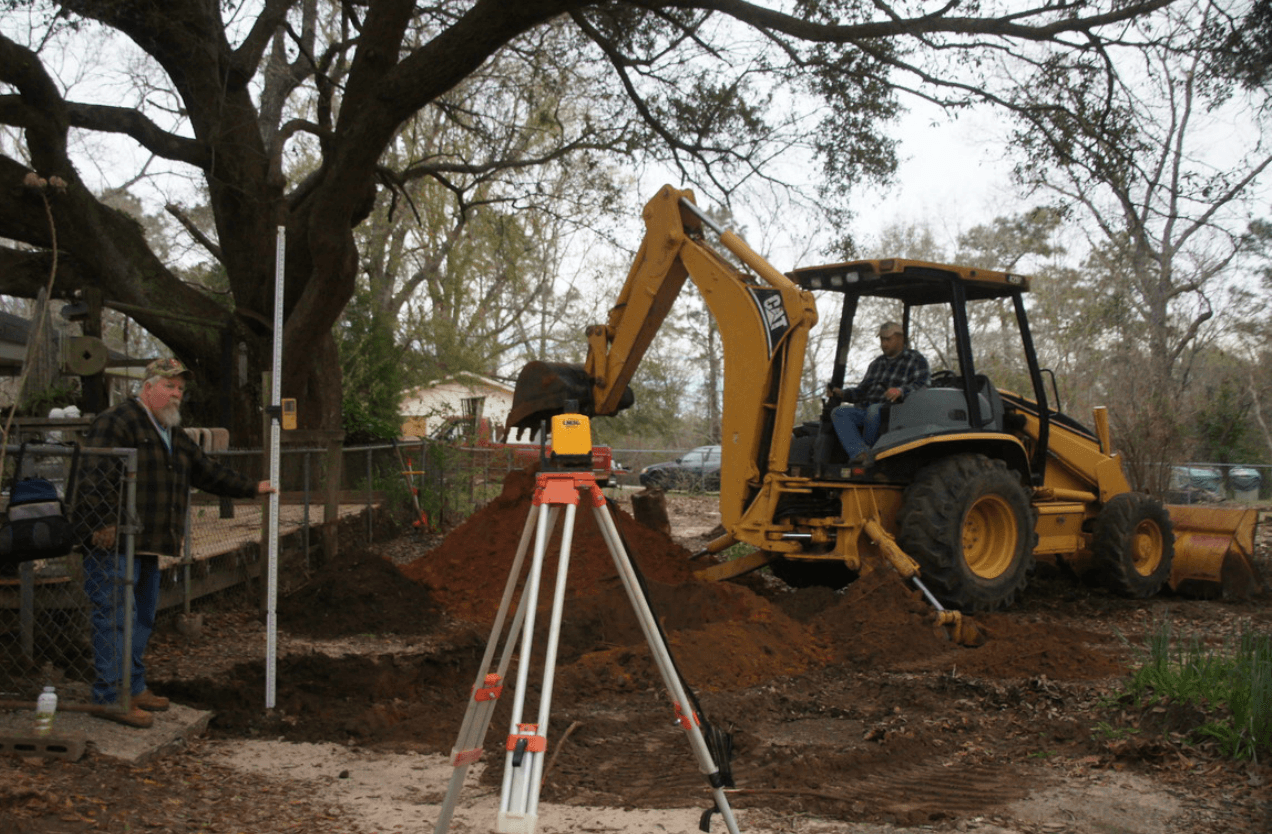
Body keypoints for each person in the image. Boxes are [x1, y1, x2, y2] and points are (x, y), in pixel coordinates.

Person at [78, 357, 273, 728]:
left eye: (181, 388)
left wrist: (252, 487)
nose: (177, 395)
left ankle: (133, 687)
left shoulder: (172, 433)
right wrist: (102, 522)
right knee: (115, 617)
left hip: (151, 541)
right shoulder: (117, 421)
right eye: (169, 386)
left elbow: (206, 470)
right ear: (148, 387)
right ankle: (109, 696)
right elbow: (93, 474)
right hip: (115, 542)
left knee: (142, 619)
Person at [827, 321, 930, 460]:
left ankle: (875, 455)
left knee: (874, 410)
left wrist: (900, 391)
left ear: (900, 338)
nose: (884, 344)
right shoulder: (876, 364)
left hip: (896, 411)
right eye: (882, 339)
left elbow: (922, 385)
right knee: (840, 412)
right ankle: (860, 453)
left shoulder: (915, 359)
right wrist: (842, 394)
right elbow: (861, 391)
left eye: (888, 339)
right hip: (867, 409)